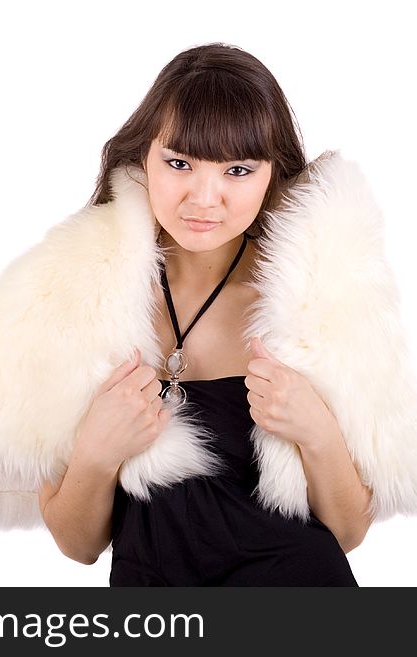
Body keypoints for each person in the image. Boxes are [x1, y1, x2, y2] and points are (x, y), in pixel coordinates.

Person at [37, 43, 373, 586]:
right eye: (179, 163)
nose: (205, 198)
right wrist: (97, 454)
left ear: (272, 174)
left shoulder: (312, 303)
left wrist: (317, 431)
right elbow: (78, 544)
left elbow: (349, 529)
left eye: (238, 169)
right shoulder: (84, 299)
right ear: (142, 157)